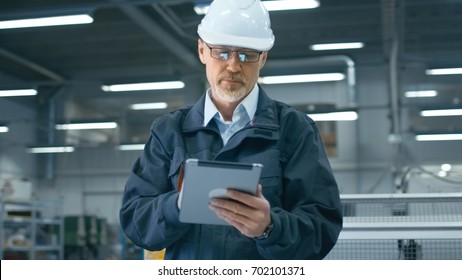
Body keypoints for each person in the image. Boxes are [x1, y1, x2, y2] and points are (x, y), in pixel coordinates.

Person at [119, 0, 342, 260]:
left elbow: (321, 229)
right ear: (202, 51)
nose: (234, 66)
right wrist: (177, 205)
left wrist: (270, 227)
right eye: (222, 52)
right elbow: (135, 220)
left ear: (263, 58)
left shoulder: (295, 130)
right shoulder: (169, 131)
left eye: (247, 55)